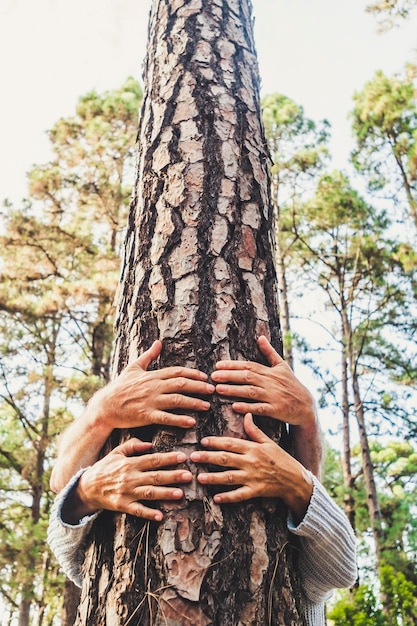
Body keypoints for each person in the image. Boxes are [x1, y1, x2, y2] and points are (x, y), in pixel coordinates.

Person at [48, 336, 357, 626]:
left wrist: (306, 431)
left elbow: (342, 567)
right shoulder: (105, 543)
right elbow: (63, 501)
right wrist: (99, 417)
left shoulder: (297, 556)